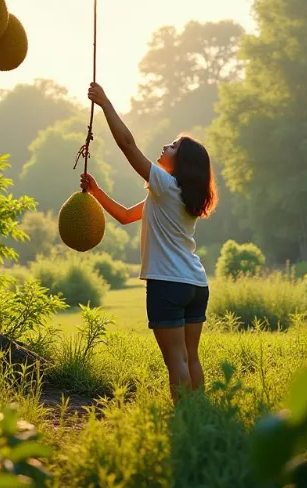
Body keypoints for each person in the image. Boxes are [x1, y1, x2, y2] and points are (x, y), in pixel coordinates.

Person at [80, 81, 217, 403]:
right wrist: (97, 193)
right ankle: (200, 413)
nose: (165, 147)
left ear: (179, 162)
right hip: (196, 284)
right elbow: (127, 216)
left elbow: (128, 145)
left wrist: (105, 103)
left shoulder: (166, 185)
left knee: (176, 361)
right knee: (190, 358)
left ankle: (185, 418)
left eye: (172, 146)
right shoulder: (177, 195)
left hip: (167, 284)